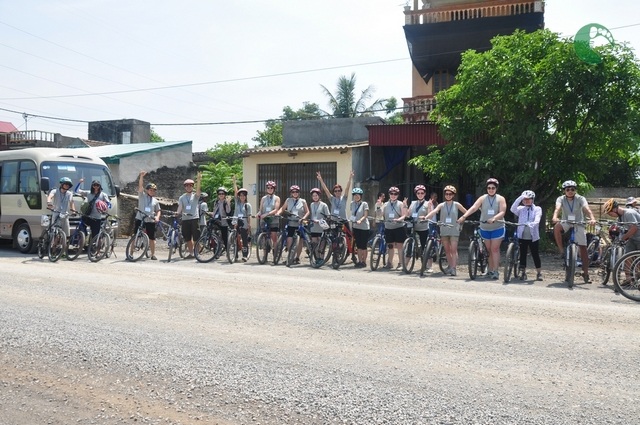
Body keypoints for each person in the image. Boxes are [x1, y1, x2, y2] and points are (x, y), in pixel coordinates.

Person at [458, 178, 507, 280]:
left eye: (493, 188)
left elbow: (502, 212)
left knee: (494, 249)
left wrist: (494, 218)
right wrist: (464, 216)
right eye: (489, 188)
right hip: (484, 227)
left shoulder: (500, 199)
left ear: (496, 188)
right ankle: (490, 270)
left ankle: (496, 271)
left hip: (497, 227)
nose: (491, 189)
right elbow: (474, 207)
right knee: (488, 250)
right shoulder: (482, 198)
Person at [552, 180, 597, 283]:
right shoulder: (561, 199)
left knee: (583, 249)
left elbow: (586, 209)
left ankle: (585, 273)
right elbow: (557, 209)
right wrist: (555, 217)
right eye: (568, 189)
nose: (570, 191)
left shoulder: (580, 198)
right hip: (566, 222)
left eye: (572, 189)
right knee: (557, 228)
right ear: (564, 191)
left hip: (579, 222)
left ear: (575, 190)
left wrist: (592, 218)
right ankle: (561, 250)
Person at [425, 185, 467, 276]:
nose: (448, 195)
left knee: (453, 250)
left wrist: (462, 219)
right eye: (446, 194)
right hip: (444, 229)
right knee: (447, 250)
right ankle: (451, 266)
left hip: (454, 229)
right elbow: (434, 211)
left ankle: (454, 268)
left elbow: (466, 212)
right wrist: (426, 217)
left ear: (453, 195)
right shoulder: (441, 205)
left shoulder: (456, 204)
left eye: (450, 194)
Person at [510, 190, 543, 281]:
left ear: (532, 200)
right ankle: (523, 273)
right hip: (522, 236)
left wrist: (532, 224)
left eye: (528, 199)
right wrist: (520, 197)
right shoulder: (521, 209)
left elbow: (537, 219)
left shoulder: (537, 209)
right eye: (525, 199)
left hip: (533, 236)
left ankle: (539, 273)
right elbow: (512, 209)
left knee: (535, 254)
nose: (526, 201)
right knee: (523, 254)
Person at [277, 185, 309, 264]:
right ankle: (290, 256)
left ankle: (297, 258)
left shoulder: (303, 201)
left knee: (300, 241)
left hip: (299, 223)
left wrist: (304, 218)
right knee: (289, 238)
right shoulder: (288, 200)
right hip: (291, 222)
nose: (295, 193)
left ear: (299, 193)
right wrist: (278, 213)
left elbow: (307, 211)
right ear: (291, 193)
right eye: (293, 192)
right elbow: (282, 208)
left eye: (296, 192)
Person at [403, 185, 432, 272]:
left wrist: (426, 216)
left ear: (425, 194)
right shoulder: (413, 203)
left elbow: (430, 215)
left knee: (425, 246)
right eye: (418, 193)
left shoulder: (428, 203)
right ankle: (405, 265)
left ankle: (429, 266)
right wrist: (405, 206)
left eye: (422, 193)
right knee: (410, 245)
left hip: (423, 228)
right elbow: (407, 214)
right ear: (416, 194)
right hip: (413, 227)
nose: (420, 194)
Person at [134, 171, 161, 260]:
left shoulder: (155, 201)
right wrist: (141, 176)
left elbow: (158, 211)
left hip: (150, 220)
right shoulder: (142, 196)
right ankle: (130, 253)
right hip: (140, 218)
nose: (152, 191)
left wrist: (157, 217)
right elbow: (140, 186)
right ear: (147, 190)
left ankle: (153, 254)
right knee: (135, 236)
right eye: (150, 190)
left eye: (153, 190)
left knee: (152, 238)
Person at [177, 172, 202, 258]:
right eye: (187, 186)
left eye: (190, 185)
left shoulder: (195, 196)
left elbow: (198, 192)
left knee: (196, 237)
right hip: (185, 219)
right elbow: (180, 207)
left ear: (192, 186)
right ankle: (191, 253)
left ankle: (196, 253)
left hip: (194, 218)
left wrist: (198, 180)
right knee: (187, 237)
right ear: (185, 187)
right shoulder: (182, 197)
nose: (188, 187)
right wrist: (177, 213)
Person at [381, 186, 407, 269]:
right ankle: (389, 263)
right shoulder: (385, 204)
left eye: (395, 194)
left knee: (400, 246)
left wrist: (398, 219)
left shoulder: (400, 204)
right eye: (391, 193)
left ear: (398, 195)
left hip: (398, 227)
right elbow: (379, 215)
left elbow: (404, 215)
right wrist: (378, 206)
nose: (393, 195)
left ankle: (401, 263)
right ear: (389, 194)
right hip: (388, 227)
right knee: (390, 246)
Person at [232, 175, 253, 261]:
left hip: (244, 223)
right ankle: (235, 255)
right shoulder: (237, 202)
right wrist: (234, 182)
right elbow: (235, 192)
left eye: (244, 195)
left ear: (246, 196)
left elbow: (249, 216)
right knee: (235, 239)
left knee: (244, 239)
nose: (242, 197)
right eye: (240, 195)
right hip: (236, 221)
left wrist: (249, 225)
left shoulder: (248, 205)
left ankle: (245, 255)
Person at [257, 180, 281, 249]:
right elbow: (260, 210)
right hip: (264, 219)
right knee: (264, 237)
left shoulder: (277, 198)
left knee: (274, 237)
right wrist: (258, 214)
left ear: (274, 189)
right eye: (268, 188)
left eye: (271, 188)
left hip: (273, 219)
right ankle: (264, 256)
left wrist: (267, 214)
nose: (269, 189)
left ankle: (275, 252)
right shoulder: (263, 198)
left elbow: (276, 209)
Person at [308, 188, 330, 262]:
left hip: (321, 227)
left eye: (316, 195)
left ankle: (321, 258)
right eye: (313, 196)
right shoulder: (311, 204)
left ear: (319, 196)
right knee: (314, 243)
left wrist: (320, 220)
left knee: (322, 244)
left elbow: (328, 216)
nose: (315, 197)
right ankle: (317, 258)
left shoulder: (324, 205)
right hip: (314, 227)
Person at [350, 187, 369, 268]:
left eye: (358, 195)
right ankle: (359, 261)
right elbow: (353, 214)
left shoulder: (364, 204)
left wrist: (360, 220)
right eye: (354, 195)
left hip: (364, 227)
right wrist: (351, 219)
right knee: (358, 245)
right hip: (356, 227)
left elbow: (365, 215)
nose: (356, 197)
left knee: (363, 245)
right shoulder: (352, 203)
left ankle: (364, 261)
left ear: (361, 196)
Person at [211, 186, 232, 251]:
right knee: (211, 228)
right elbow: (214, 211)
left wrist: (228, 203)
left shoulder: (226, 202)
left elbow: (228, 211)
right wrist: (212, 215)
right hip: (217, 220)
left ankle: (227, 249)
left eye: (222, 194)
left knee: (225, 237)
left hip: (224, 222)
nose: (221, 195)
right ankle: (213, 245)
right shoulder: (216, 202)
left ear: (225, 194)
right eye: (219, 194)